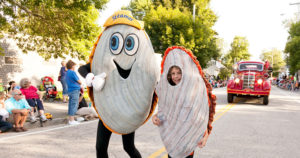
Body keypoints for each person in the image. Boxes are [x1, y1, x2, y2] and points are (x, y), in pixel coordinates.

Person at [152, 65, 210, 158]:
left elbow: (200, 114)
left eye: (179, 73)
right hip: (172, 137)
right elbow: (165, 111)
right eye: (173, 73)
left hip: (188, 137)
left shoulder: (192, 91)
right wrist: (155, 117)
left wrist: (205, 135)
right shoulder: (168, 92)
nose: (176, 76)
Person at [65, 60, 82, 125]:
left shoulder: (67, 72)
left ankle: (71, 119)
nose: (75, 67)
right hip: (75, 89)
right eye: (74, 66)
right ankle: (72, 120)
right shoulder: (73, 72)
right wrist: (81, 83)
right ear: (72, 66)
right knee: (74, 105)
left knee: (71, 105)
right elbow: (79, 81)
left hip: (70, 90)